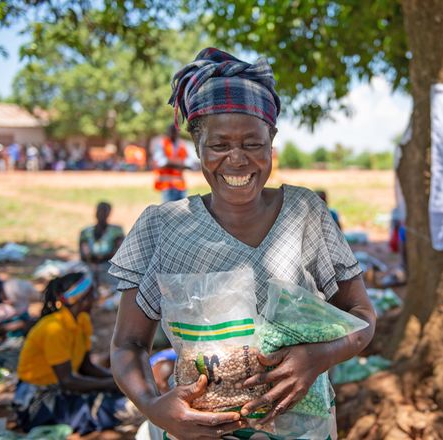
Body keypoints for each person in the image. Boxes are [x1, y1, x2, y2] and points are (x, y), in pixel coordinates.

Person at [109, 47, 376, 439]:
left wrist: (317, 358)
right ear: (197, 148)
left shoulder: (304, 213)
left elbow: (362, 316)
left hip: (301, 430)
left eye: (253, 143)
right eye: (219, 145)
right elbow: (127, 344)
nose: (237, 160)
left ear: (271, 141)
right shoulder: (162, 228)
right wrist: (154, 408)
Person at [14, 272, 133, 434]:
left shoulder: (82, 320)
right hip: (36, 401)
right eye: (92, 294)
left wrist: (114, 380)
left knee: (113, 399)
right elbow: (67, 381)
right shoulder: (54, 329)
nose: (96, 298)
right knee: (112, 408)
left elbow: (86, 367)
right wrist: (112, 384)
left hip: (60, 390)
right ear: (81, 299)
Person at [79, 202, 125, 293]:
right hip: (90, 267)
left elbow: (119, 252)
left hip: (108, 268)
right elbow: (84, 254)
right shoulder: (86, 232)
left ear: (109, 214)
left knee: (116, 290)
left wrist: (99, 259)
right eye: (99, 211)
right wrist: (94, 261)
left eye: (104, 211)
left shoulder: (116, 231)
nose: (101, 214)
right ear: (95, 213)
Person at [152, 123, 189, 202]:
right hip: (167, 186)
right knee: (168, 212)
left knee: (183, 212)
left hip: (181, 185)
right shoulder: (162, 144)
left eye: (175, 131)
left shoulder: (182, 145)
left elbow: (190, 163)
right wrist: (179, 163)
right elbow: (160, 163)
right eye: (171, 131)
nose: (173, 133)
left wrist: (170, 162)